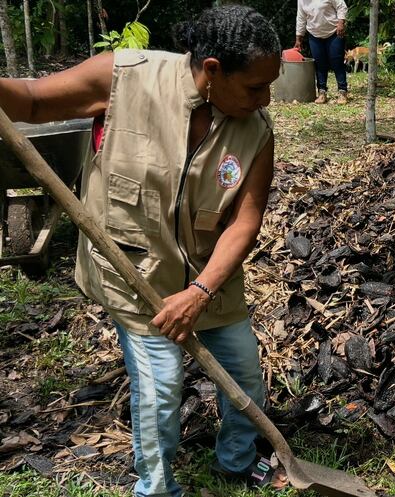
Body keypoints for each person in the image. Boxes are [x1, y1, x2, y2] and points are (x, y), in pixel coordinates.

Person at [0, 5, 285, 496]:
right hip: (136, 277)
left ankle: (236, 462)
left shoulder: (255, 131)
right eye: (256, 86)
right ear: (212, 70)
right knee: (160, 393)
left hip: (208, 279)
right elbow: (29, 101)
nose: (266, 98)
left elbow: (245, 221)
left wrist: (200, 290)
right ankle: (157, 488)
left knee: (244, 379)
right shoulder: (124, 78)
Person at [294, 0, 349, 104]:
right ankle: (322, 93)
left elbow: (341, 6)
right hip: (314, 34)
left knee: (337, 62)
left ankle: (343, 92)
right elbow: (301, 18)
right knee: (319, 64)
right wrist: (298, 38)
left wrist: (341, 22)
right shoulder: (301, 1)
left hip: (334, 32)